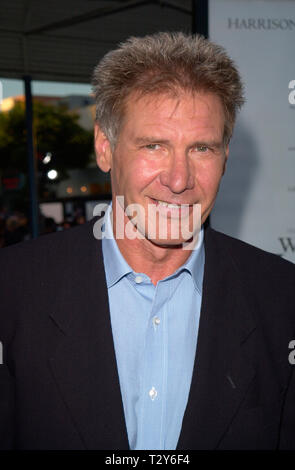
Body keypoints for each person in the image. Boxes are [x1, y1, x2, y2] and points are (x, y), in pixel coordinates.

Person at [0, 32, 294, 450]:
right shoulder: (13, 289)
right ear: (105, 147)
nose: (179, 179)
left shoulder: (282, 298)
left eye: (202, 148)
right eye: (154, 145)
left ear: (226, 156)